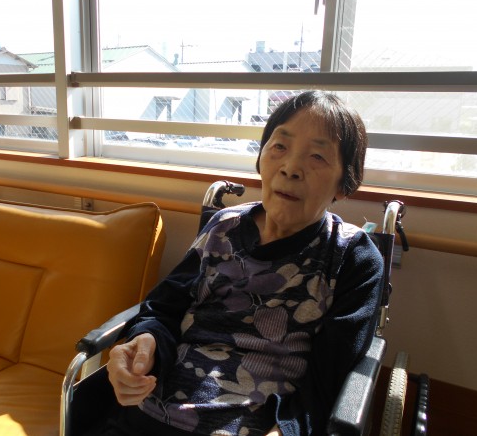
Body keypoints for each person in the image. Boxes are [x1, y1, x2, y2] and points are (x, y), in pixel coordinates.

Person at [100, 90, 384, 435]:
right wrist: (143, 343)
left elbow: (330, 380)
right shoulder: (223, 226)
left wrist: (288, 430)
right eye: (279, 146)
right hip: (150, 413)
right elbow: (163, 309)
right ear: (261, 158)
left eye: (317, 156)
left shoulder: (353, 257)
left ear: (345, 183)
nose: (290, 168)